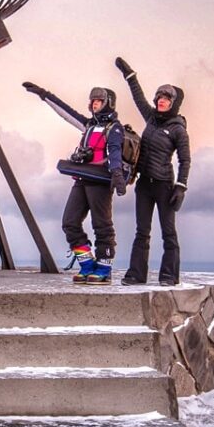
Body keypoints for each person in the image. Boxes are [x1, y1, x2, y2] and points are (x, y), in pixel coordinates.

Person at [22, 81, 129, 285]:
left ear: (108, 103)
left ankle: (104, 268)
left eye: (99, 100)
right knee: (70, 222)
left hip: (100, 181)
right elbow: (65, 112)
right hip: (81, 178)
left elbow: (115, 152)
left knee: (102, 225)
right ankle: (87, 264)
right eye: (93, 101)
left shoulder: (113, 128)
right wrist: (44, 94)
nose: (94, 104)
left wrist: (117, 175)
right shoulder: (89, 125)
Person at [114, 57, 190, 286]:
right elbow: (138, 97)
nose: (161, 101)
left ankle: (169, 275)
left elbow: (185, 160)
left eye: (166, 99)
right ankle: (136, 274)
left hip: (164, 185)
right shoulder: (151, 118)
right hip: (144, 185)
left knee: (169, 232)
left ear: (174, 103)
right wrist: (130, 75)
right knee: (142, 231)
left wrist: (181, 187)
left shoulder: (178, 130)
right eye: (159, 97)